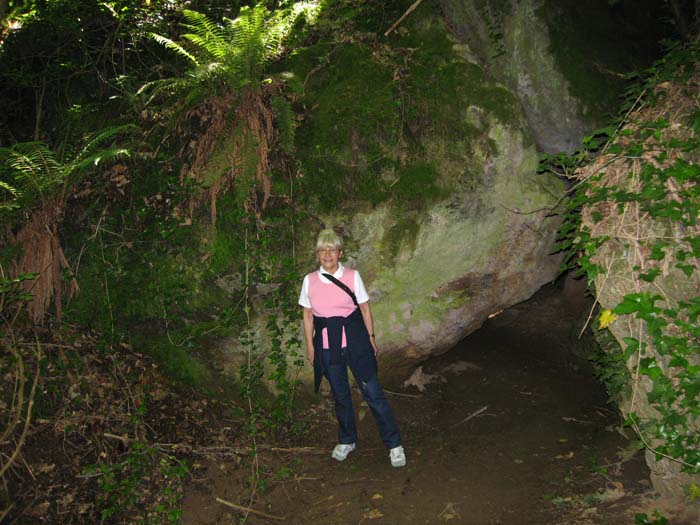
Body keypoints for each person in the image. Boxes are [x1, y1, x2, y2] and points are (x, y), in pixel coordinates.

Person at [298, 228, 406, 467]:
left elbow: (365, 308)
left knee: (373, 392)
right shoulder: (310, 280)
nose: (327, 254)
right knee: (341, 395)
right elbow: (307, 315)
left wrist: (371, 337)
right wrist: (310, 346)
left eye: (332, 249)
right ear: (317, 253)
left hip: (355, 341)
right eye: (323, 250)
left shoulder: (352, 276)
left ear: (340, 253)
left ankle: (394, 444)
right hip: (327, 346)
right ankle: (347, 440)